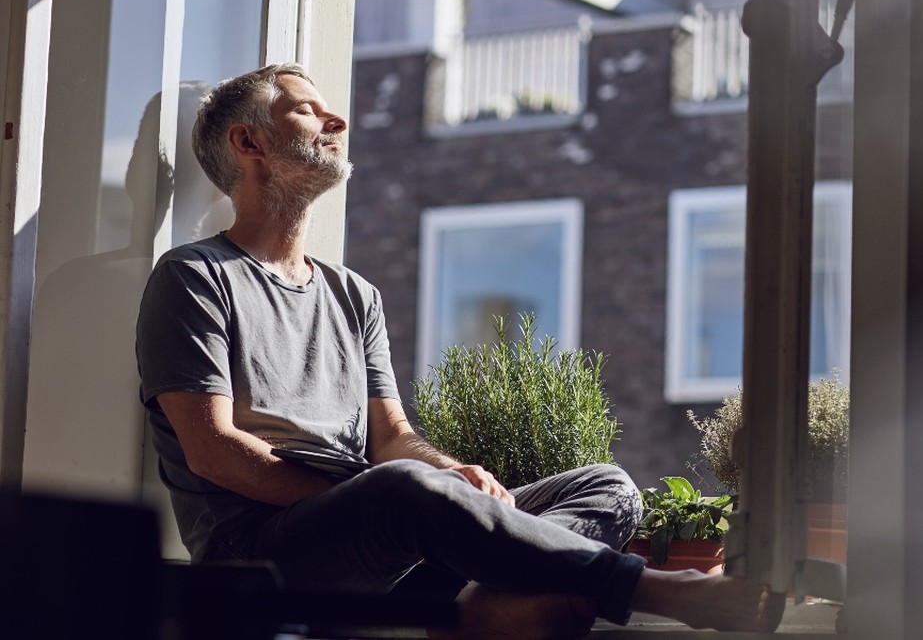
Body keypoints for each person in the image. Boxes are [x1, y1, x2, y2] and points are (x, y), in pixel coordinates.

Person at [135, 62, 784, 639]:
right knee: (407, 489)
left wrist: (453, 473)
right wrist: (398, 489)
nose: (337, 117)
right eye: (306, 108)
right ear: (248, 142)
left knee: (607, 486)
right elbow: (214, 450)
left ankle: (491, 605)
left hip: (392, 536)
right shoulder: (195, 277)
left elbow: (392, 438)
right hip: (267, 553)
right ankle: (649, 588)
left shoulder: (353, 293)